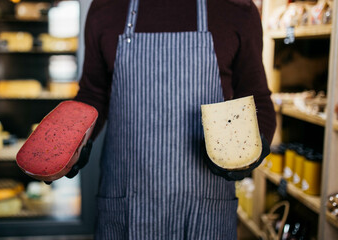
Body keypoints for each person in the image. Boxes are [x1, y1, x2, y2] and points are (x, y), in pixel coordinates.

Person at [74, 0, 276, 239]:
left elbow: (256, 99)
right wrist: (72, 144)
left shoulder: (236, 9)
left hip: (207, 207)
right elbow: (93, 93)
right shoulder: (106, 8)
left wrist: (255, 144)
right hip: (126, 202)